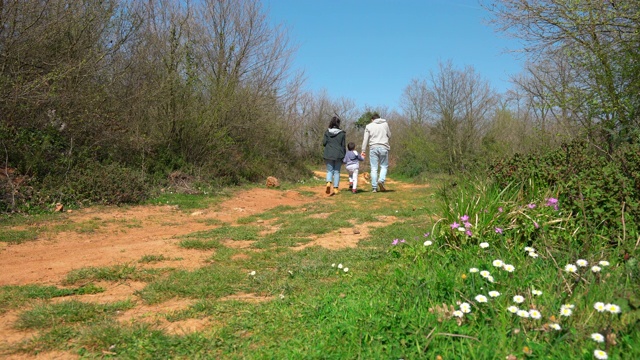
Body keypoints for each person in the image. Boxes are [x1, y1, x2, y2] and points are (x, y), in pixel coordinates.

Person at [361, 112, 390, 192]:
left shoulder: (369, 126)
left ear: (372, 120)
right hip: (384, 147)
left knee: (374, 168)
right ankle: (381, 180)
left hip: (373, 147)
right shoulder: (385, 124)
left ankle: (374, 187)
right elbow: (389, 135)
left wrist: (363, 150)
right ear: (379, 118)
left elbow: (365, 139)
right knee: (384, 166)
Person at [322, 116, 346, 195]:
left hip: (328, 153)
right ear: (338, 123)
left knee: (329, 170)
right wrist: (344, 156)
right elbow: (343, 146)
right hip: (338, 154)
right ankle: (335, 188)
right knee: (337, 172)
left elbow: (324, 143)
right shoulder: (342, 133)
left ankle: (328, 182)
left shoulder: (327, 132)